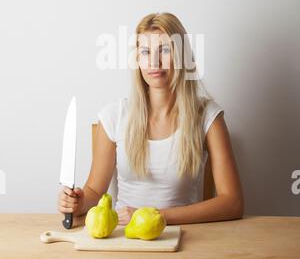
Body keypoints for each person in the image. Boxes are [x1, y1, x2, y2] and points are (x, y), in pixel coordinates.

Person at [58, 12, 244, 225]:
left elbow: (233, 202)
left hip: (183, 238)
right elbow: (93, 191)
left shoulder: (208, 116)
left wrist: (155, 216)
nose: (154, 62)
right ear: (138, 60)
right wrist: (79, 203)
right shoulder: (113, 116)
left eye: (165, 50)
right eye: (145, 52)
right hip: (123, 237)